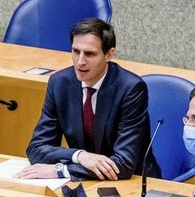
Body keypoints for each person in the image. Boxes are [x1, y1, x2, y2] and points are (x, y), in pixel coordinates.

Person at [17, 18, 152, 182]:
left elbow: (123, 164)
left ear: (109, 54)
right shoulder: (60, 83)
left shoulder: (130, 89)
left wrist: (61, 170)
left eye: (90, 54)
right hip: (85, 180)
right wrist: (78, 155)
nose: (80, 61)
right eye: (75, 51)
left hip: (133, 182)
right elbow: (36, 149)